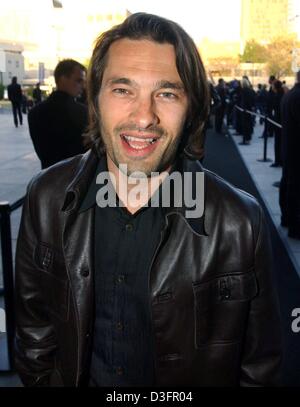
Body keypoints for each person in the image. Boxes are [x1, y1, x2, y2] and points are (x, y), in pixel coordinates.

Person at [15, 13, 282, 387]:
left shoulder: (239, 221)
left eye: (167, 93)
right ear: (95, 99)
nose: (144, 117)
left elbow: (260, 367)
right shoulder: (45, 198)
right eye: (123, 90)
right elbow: (34, 333)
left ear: (192, 108)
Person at [28, 59, 88, 169]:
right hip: (78, 179)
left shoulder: (34, 113)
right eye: (79, 81)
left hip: (48, 179)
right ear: (63, 79)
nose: (83, 86)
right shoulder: (83, 112)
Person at [279, 71, 300, 239]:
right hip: (296, 149)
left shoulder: (289, 95)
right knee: (295, 188)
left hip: (288, 147)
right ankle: (295, 226)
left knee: (287, 182)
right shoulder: (297, 97)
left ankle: (286, 218)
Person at [270, 80, 284, 167]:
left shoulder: (276, 96)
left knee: (278, 142)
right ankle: (281, 160)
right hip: (282, 121)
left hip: (278, 121)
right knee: (281, 142)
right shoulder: (283, 95)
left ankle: (278, 161)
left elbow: (274, 108)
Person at [240, 77, 256, 145]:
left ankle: (246, 139)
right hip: (248, 109)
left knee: (245, 125)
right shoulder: (250, 90)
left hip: (245, 110)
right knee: (248, 124)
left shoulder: (244, 90)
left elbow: (246, 100)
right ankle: (247, 139)